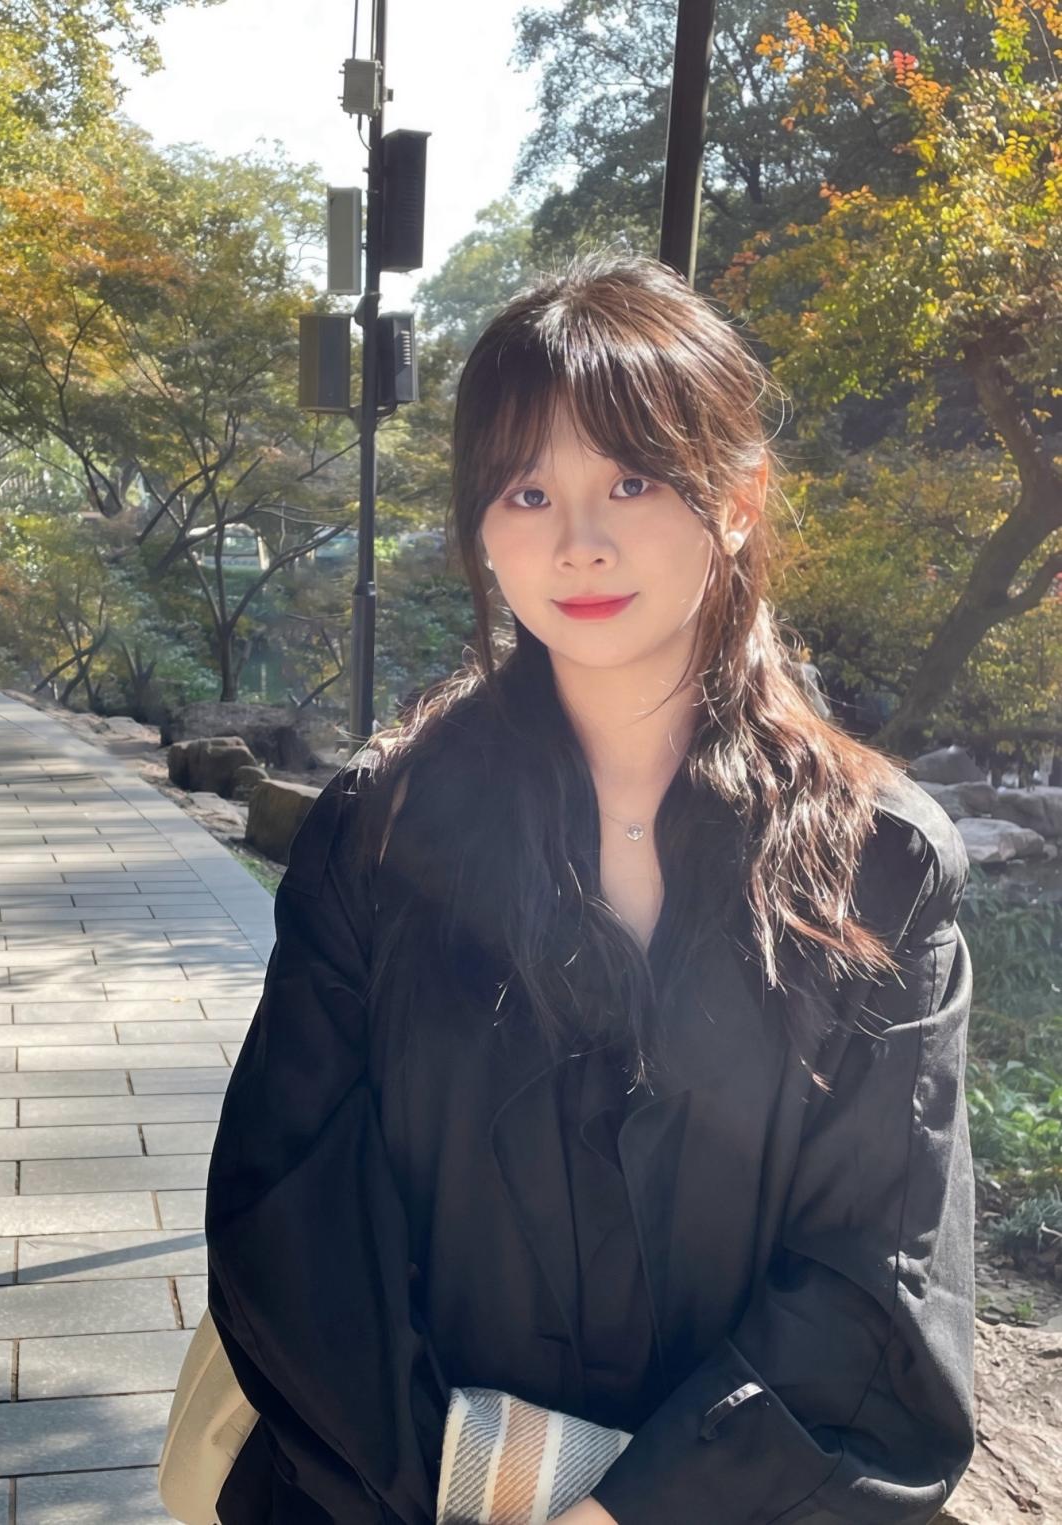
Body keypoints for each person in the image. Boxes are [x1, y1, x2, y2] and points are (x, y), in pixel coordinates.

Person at [205, 251, 975, 1525]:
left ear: (739, 495)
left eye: (632, 478)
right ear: (480, 525)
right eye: (526, 491)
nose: (579, 542)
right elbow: (288, 1211)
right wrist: (451, 1491)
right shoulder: (382, 834)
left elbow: (876, 1289)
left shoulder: (876, 865)